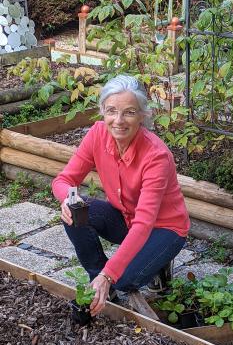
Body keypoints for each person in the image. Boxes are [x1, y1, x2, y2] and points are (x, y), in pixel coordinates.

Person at [52, 75, 190, 317]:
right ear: (103, 112)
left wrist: (111, 273)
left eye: (129, 112)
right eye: (111, 111)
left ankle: (151, 266)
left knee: (123, 280)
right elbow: (63, 180)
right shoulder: (97, 134)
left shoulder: (156, 156)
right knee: (75, 213)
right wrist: (67, 199)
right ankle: (100, 285)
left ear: (142, 116)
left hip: (164, 228)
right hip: (125, 217)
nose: (118, 120)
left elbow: (145, 223)